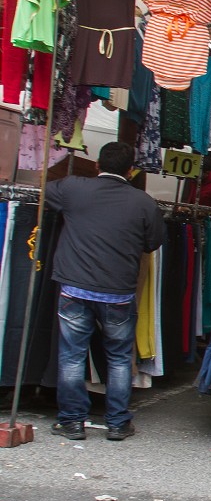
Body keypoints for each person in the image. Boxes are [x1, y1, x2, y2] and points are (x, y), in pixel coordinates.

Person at [47, 142, 165, 442]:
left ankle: (72, 422)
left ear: (98, 165)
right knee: (119, 357)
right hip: (118, 293)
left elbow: (45, 193)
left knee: (72, 356)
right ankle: (117, 423)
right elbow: (152, 243)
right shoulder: (144, 203)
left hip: (75, 286)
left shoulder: (74, 189)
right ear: (131, 170)